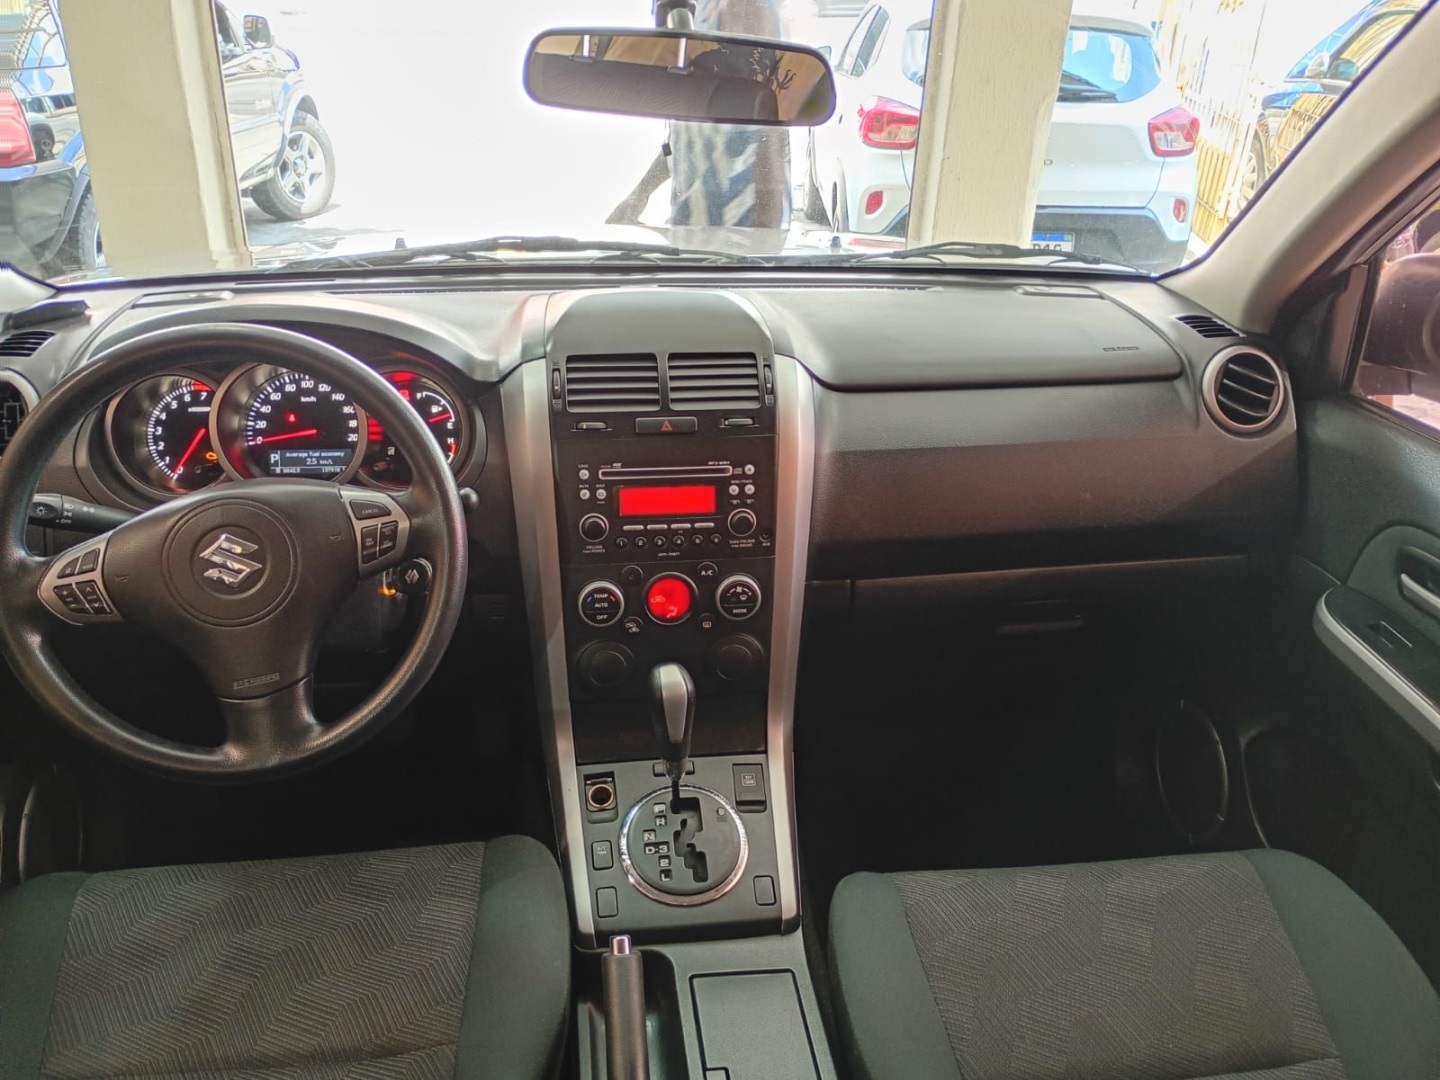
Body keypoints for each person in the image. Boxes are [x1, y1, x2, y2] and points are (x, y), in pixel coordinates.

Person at [608, 0, 791, 230]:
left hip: (739, 234)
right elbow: (684, 143)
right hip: (688, 229)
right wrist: (641, 193)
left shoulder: (742, 9)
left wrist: (764, 235)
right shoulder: (686, 32)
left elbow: (771, 136)